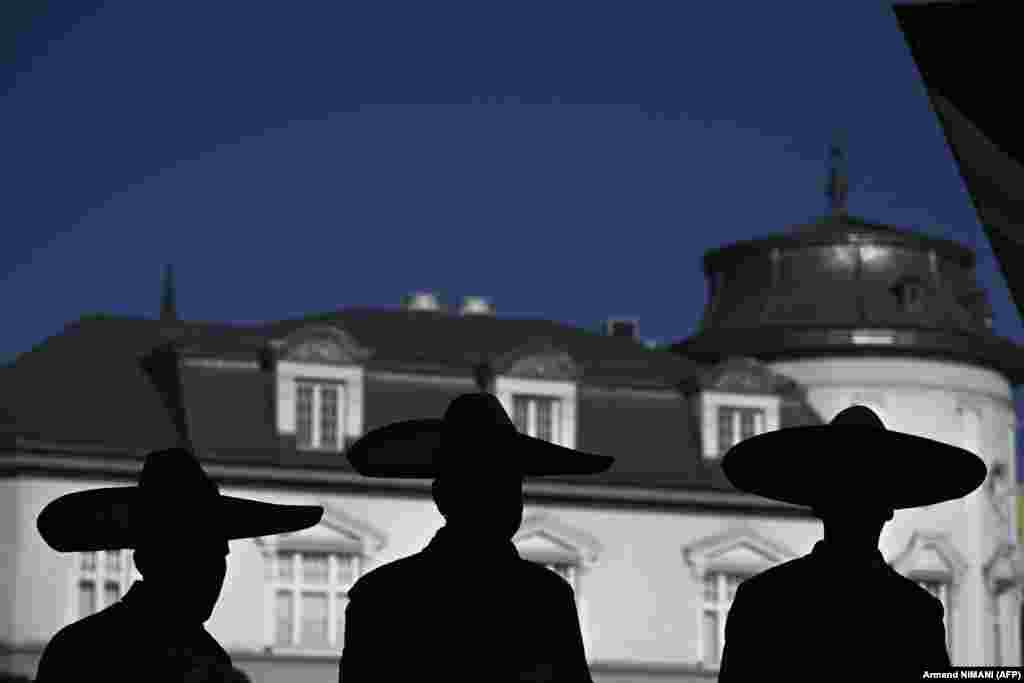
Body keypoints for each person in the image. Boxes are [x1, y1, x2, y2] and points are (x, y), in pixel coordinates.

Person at [338, 392, 615, 683]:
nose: (502, 498)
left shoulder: (380, 596)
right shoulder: (546, 598)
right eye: (486, 484)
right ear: (444, 496)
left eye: (509, 484)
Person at [717, 405, 985, 681]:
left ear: (818, 505)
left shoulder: (764, 601)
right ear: (889, 509)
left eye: (865, 494)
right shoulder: (915, 614)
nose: (857, 507)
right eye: (851, 494)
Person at [34, 447, 323, 683]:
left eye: (219, 556)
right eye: (195, 556)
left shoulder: (209, 656)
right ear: (150, 561)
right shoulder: (83, 652)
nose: (213, 574)